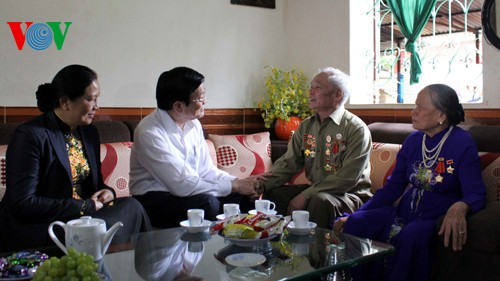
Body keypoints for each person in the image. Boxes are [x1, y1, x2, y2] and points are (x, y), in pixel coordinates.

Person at [333, 84, 486, 281]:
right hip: (403, 213)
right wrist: (357, 214)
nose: (413, 112)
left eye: (420, 107)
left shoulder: (462, 143)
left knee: (412, 235)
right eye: (415, 106)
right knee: (355, 223)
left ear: (441, 115)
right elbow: (393, 187)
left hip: (433, 218)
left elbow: (476, 193)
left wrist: (462, 205)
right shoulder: (413, 141)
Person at [0, 64, 151, 253]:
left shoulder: (88, 133)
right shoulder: (30, 135)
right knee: (96, 230)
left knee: (132, 206)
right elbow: (23, 204)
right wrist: (84, 206)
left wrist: (107, 192)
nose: (97, 106)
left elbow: (94, 185)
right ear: (65, 102)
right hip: (44, 224)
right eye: (90, 99)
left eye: (97, 99)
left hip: (82, 218)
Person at [129, 66, 264, 228]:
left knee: (243, 199)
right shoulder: (149, 133)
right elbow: (182, 185)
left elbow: (206, 171)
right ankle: (210, 250)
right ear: (179, 106)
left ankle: (238, 249)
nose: (205, 102)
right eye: (200, 98)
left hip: (186, 192)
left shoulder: (193, 124)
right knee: (207, 205)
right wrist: (234, 186)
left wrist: (238, 182)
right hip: (153, 199)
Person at [260, 67, 372, 229]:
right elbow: (288, 163)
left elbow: (346, 179)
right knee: (275, 194)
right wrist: (262, 185)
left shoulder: (356, 129)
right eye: (310, 88)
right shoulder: (306, 126)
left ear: (337, 94)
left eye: (317, 88)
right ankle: (282, 248)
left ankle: (316, 251)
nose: (310, 92)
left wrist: (305, 194)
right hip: (318, 190)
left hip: (349, 194)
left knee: (320, 200)